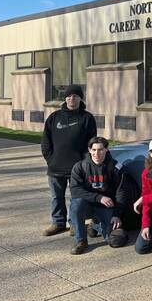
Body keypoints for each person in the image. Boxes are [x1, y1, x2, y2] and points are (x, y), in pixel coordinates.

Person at [41, 84, 97, 236]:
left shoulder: (87, 118)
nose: (72, 98)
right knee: (56, 197)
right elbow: (46, 141)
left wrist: (83, 164)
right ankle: (58, 223)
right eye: (69, 96)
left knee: (76, 198)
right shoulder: (54, 117)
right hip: (55, 167)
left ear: (80, 98)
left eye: (75, 96)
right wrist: (50, 159)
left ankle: (74, 224)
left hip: (77, 168)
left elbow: (91, 144)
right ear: (65, 98)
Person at [69, 137, 123, 254]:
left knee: (117, 240)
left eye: (100, 150)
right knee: (76, 204)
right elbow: (75, 190)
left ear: (107, 149)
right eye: (94, 150)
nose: (96, 153)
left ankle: (95, 225)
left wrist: (116, 214)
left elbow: (121, 193)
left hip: (106, 208)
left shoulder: (115, 167)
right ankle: (80, 240)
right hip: (87, 206)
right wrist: (99, 197)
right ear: (89, 150)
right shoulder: (79, 166)